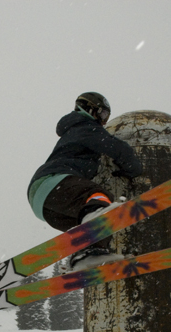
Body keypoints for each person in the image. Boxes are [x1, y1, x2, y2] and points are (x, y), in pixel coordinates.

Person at [28, 92, 142, 271]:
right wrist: (134, 170)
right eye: (104, 116)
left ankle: (87, 254)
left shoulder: (73, 131)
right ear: (91, 109)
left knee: (97, 231)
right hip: (53, 183)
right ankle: (86, 253)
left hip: (45, 204)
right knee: (99, 197)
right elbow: (118, 149)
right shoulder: (85, 127)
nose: (104, 122)